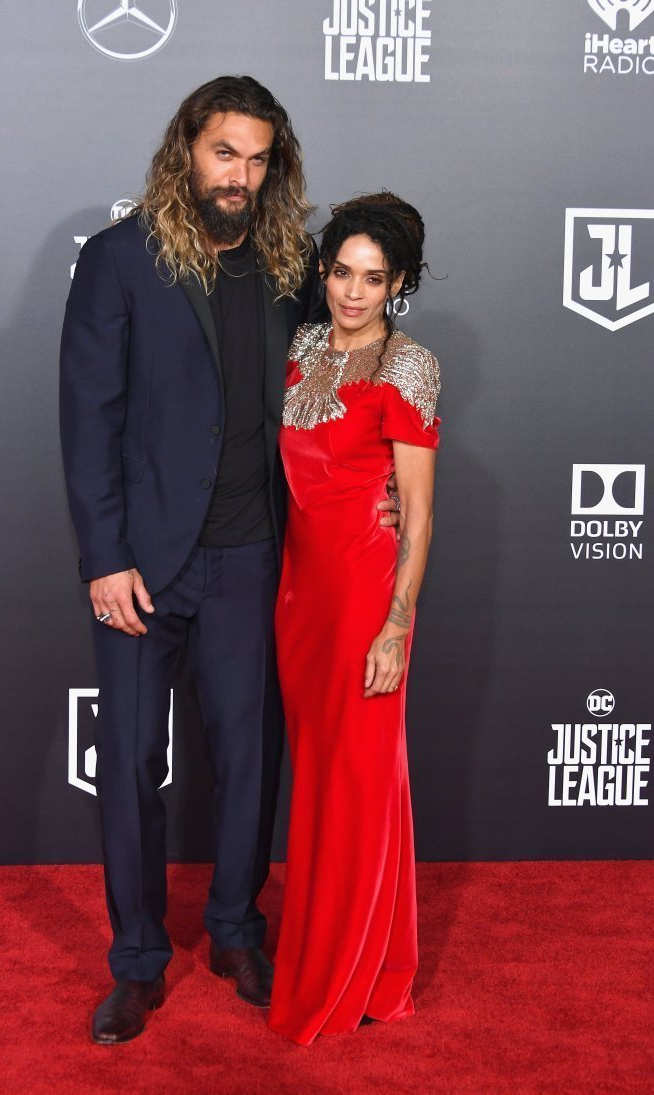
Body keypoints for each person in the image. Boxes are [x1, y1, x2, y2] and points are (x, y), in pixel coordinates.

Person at [60, 77, 399, 1045]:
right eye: (224, 154)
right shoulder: (120, 261)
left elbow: (350, 367)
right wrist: (104, 555)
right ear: (187, 152)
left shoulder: (290, 262)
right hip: (142, 566)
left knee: (251, 760)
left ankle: (236, 931)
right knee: (128, 761)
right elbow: (89, 418)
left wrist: (377, 476)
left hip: (255, 555)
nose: (238, 176)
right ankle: (135, 962)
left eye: (256, 159)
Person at [267, 193, 441, 1045]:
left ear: (398, 283)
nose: (353, 292)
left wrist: (395, 626)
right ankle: (358, 956)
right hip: (300, 600)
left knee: (362, 786)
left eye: (374, 278)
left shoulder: (408, 367)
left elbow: (416, 511)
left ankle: (355, 972)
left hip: (367, 601)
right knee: (323, 784)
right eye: (342, 271)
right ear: (324, 270)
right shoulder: (300, 349)